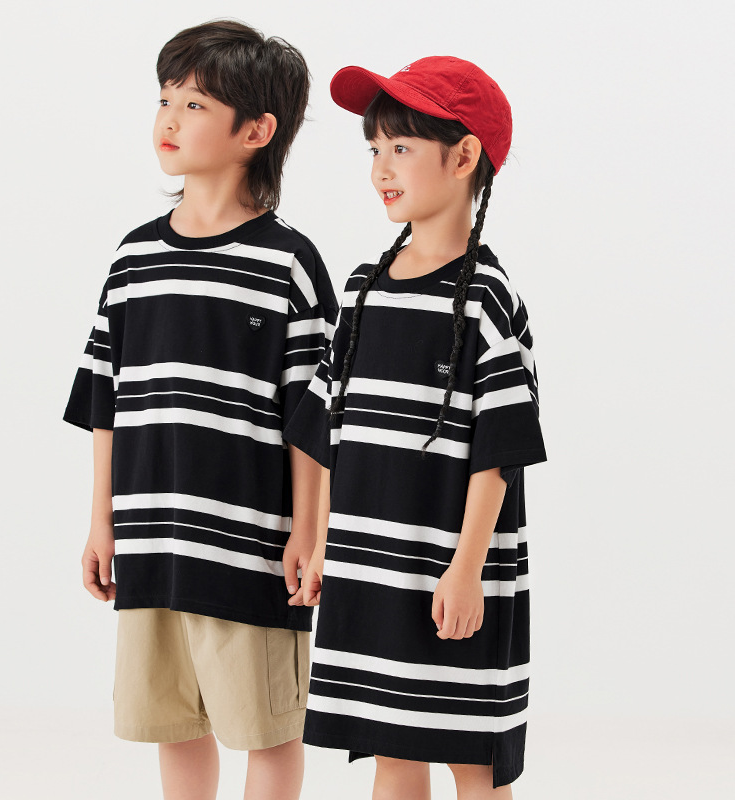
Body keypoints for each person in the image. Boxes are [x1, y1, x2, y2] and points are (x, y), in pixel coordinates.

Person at [63, 20, 337, 800]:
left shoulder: (289, 263)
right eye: (165, 100)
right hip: (152, 537)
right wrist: (102, 521)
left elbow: (314, 415)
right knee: (174, 723)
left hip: (250, 544)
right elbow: (105, 400)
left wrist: (309, 532)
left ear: (256, 131)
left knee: (268, 728)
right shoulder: (134, 258)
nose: (170, 120)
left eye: (195, 104)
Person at [282, 56, 548, 799]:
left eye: (401, 147)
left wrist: (467, 570)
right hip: (371, 568)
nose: (381, 168)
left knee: (471, 756)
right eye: (375, 148)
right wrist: (320, 539)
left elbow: (500, 453)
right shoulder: (362, 291)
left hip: (452, 571)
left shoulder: (488, 299)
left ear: (463, 157)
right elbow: (327, 430)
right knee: (391, 750)